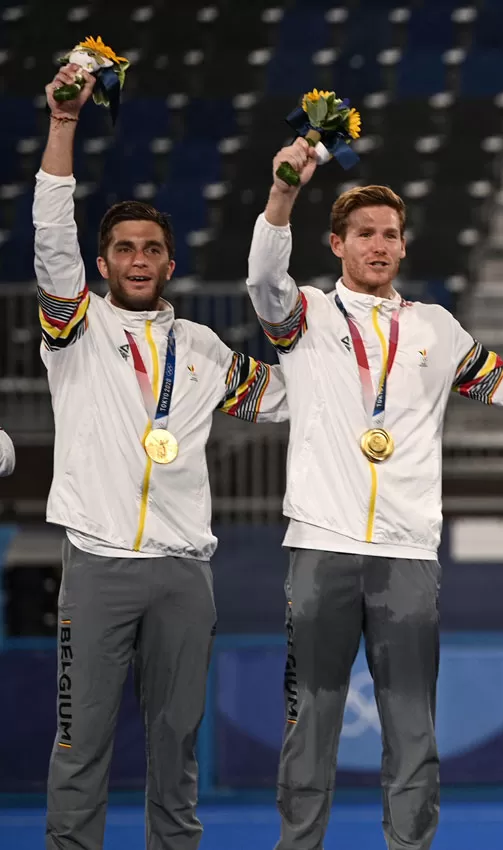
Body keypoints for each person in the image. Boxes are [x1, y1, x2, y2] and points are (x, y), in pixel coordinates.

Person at [246, 139, 503, 850]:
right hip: (321, 544)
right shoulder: (305, 316)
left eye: (390, 234)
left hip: (406, 550)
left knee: (413, 722)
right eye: (364, 233)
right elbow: (261, 281)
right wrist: (283, 193)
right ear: (337, 243)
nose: (379, 244)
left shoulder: (436, 327)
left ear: (404, 247)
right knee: (311, 715)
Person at [35, 64, 288, 850]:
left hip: (185, 569)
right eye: (123, 250)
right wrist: (66, 125)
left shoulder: (206, 350)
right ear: (103, 265)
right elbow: (50, 241)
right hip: (99, 562)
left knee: (177, 748)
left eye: (151, 249)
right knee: (82, 747)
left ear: (170, 264)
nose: (138, 260)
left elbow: (289, 397)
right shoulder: (74, 334)